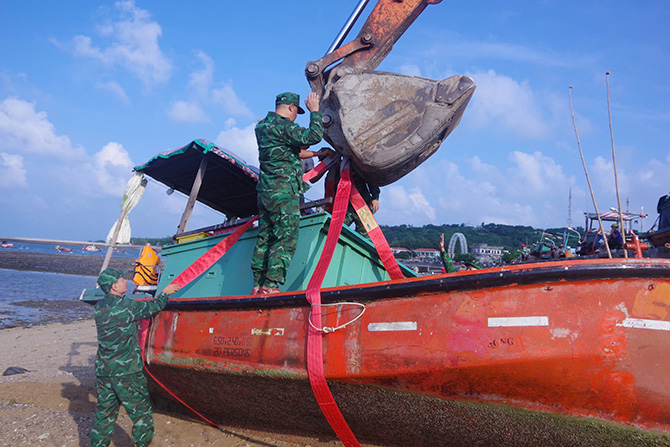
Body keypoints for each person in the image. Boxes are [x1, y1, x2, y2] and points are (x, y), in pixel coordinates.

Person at [90, 268, 180, 447]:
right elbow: (152, 307)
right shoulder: (126, 306)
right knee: (141, 414)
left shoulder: (99, 307)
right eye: (122, 279)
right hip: (126, 372)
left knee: (105, 415)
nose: (126, 281)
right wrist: (165, 293)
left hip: (104, 370)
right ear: (114, 286)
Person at [251, 91, 328, 295]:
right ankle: (271, 285)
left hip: (265, 192)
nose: (296, 117)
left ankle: (258, 284)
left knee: (265, 237)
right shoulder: (285, 127)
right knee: (285, 236)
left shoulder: (262, 127)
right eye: (297, 113)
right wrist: (315, 111)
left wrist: (319, 154)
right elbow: (313, 136)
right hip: (284, 192)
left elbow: (293, 150)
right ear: (292, 108)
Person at [322, 153, 380, 238]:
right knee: (336, 232)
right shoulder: (331, 177)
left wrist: (375, 198)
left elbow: (370, 181)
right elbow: (330, 194)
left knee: (367, 235)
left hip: (363, 205)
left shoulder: (353, 167)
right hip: (344, 209)